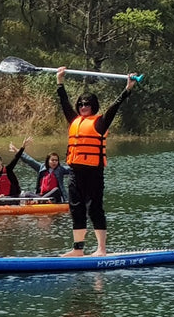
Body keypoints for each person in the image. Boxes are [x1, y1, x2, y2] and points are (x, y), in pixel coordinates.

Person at [57, 66, 137, 257]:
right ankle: (78, 249)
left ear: (93, 106)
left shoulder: (100, 122)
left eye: (87, 104)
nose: (83, 106)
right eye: (81, 104)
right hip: (75, 171)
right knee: (75, 208)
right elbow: (64, 103)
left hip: (94, 171)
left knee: (94, 208)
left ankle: (101, 249)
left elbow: (114, 107)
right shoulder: (74, 120)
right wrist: (59, 82)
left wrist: (128, 88)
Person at [11, 138, 74, 202]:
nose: (54, 162)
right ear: (48, 161)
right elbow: (30, 160)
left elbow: (72, 169)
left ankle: (39, 201)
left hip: (54, 197)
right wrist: (18, 151)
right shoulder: (41, 168)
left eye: (56, 160)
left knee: (56, 189)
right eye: (52, 160)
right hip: (42, 196)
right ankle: (41, 200)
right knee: (27, 194)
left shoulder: (61, 169)